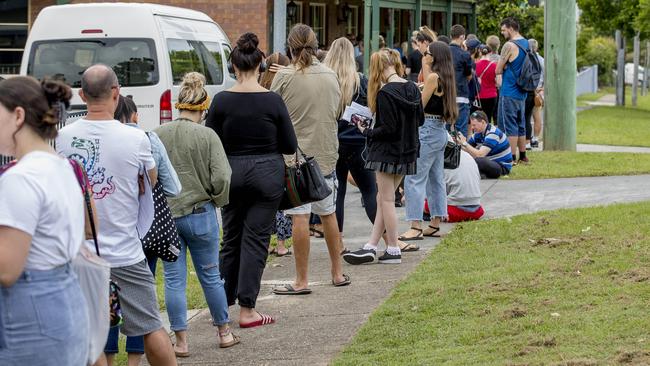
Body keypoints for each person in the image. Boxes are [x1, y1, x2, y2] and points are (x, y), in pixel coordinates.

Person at [56, 64, 177, 366]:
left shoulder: (63, 137)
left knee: (89, 334)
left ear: (81, 94)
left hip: (81, 253)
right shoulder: (135, 138)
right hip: (126, 251)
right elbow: (151, 180)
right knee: (150, 326)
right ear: (116, 93)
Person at [206, 32, 298, 328]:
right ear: (260, 65)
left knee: (230, 239)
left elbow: (212, 143)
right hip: (266, 174)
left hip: (231, 174)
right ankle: (248, 310)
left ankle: (222, 307)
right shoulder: (273, 101)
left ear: (233, 67)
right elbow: (289, 145)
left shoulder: (220, 101)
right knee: (256, 241)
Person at [0, 77, 90, 365]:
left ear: (17, 116)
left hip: (30, 309)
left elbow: (7, 269)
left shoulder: (21, 177)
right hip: (66, 300)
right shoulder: (62, 166)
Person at [155, 72, 238, 356]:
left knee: (174, 279)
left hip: (168, 215)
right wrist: (217, 199)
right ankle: (224, 332)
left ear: (179, 105)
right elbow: (223, 176)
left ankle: (180, 341)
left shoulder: (157, 134)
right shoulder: (208, 136)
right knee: (211, 276)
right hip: (201, 211)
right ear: (204, 107)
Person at [271, 24, 350, 294]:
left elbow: (273, 113)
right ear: (316, 46)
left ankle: (302, 280)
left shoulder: (284, 76)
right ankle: (337, 273)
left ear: (290, 47)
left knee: (300, 218)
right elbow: (338, 112)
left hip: (294, 158)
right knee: (328, 214)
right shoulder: (331, 76)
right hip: (326, 154)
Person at [104, 95, 181, 366]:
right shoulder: (146, 139)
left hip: (108, 236)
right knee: (142, 305)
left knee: (108, 302)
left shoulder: (103, 141)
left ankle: (109, 357)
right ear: (134, 115)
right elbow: (172, 187)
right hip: (145, 231)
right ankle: (135, 360)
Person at [342, 48, 424, 265]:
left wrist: (365, 130)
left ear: (378, 67)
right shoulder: (413, 88)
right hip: (408, 151)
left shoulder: (385, 92)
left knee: (386, 199)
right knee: (382, 198)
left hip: (386, 152)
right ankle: (371, 245)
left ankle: (394, 248)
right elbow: (421, 120)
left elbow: (387, 129)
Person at [398, 41, 457, 242]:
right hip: (440, 130)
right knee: (436, 178)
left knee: (413, 178)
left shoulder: (433, 77)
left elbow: (419, 106)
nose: (425, 54)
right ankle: (435, 222)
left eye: (428, 52)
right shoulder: (447, 78)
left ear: (435, 56)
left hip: (427, 129)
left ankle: (415, 225)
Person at [496, 17, 530, 164]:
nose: (502, 33)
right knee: (520, 124)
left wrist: (503, 67)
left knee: (509, 125)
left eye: (503, 30)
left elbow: (498, 68)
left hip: (509, 91)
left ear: (510, 28)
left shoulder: (509, 45)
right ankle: (523, 156)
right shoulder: (527, 43)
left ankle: (511, 158)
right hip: (522, 91)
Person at [458, 110, 513, 179]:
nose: (472, 128)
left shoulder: (493, 133)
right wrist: (458, 142)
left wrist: (464, 143)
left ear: (483, 122)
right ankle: (481, 174)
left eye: (474, 125)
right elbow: (466, 150)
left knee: (479, 160)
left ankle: (479, 173)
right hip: (490, 163)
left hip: (502, 167)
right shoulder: (477, 133)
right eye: (471, 125)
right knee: (465, 157)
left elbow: (480, 154)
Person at [444, 147, 484, 222]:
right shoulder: (467, 155)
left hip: (454, 211)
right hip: (477, 210)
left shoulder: (438, 157)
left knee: (417, 209)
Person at [449, 24, 473, 136]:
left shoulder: (444, 52)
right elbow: (469, 75)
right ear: (462, 37)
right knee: (461, 129)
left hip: (446, 93)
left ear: (450, 36)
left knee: (446, 127)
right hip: (461, 93)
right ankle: (461, 152)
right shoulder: (465, 55)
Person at [476, 44, 498, 125]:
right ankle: (487, 134)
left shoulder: (475, 65)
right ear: (490, 53)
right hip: (492, 95)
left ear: (480, 53)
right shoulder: (494, 65)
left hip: (479, 96)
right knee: (488, 118)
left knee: (478, 119)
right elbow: (498, 83)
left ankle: (479, 135)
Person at [528, 38, 544, 148]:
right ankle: (536, 138)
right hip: (538, 90)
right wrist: (542, 88)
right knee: (537, 115)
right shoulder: (542, 60)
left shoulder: (526, 59)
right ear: (536, 47)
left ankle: (527, 139)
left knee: (526, 116)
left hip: (528, 90)